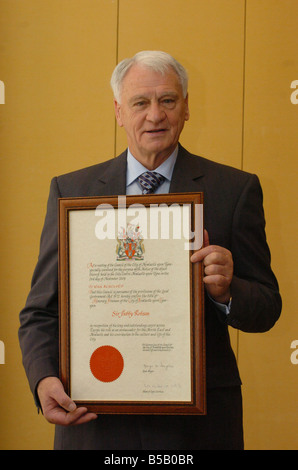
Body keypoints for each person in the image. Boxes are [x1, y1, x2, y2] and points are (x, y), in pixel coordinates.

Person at [18, 51, 281, 450]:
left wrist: (227, 291)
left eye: (168, 100)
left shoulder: (234, 190)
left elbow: (266, 306)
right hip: (96, 420)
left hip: (200, 425)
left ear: (187, 108)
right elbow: (40, 311)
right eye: (141, 102)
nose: (155, 115)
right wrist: (43, 378)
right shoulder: (72, 193)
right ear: (119, 111)